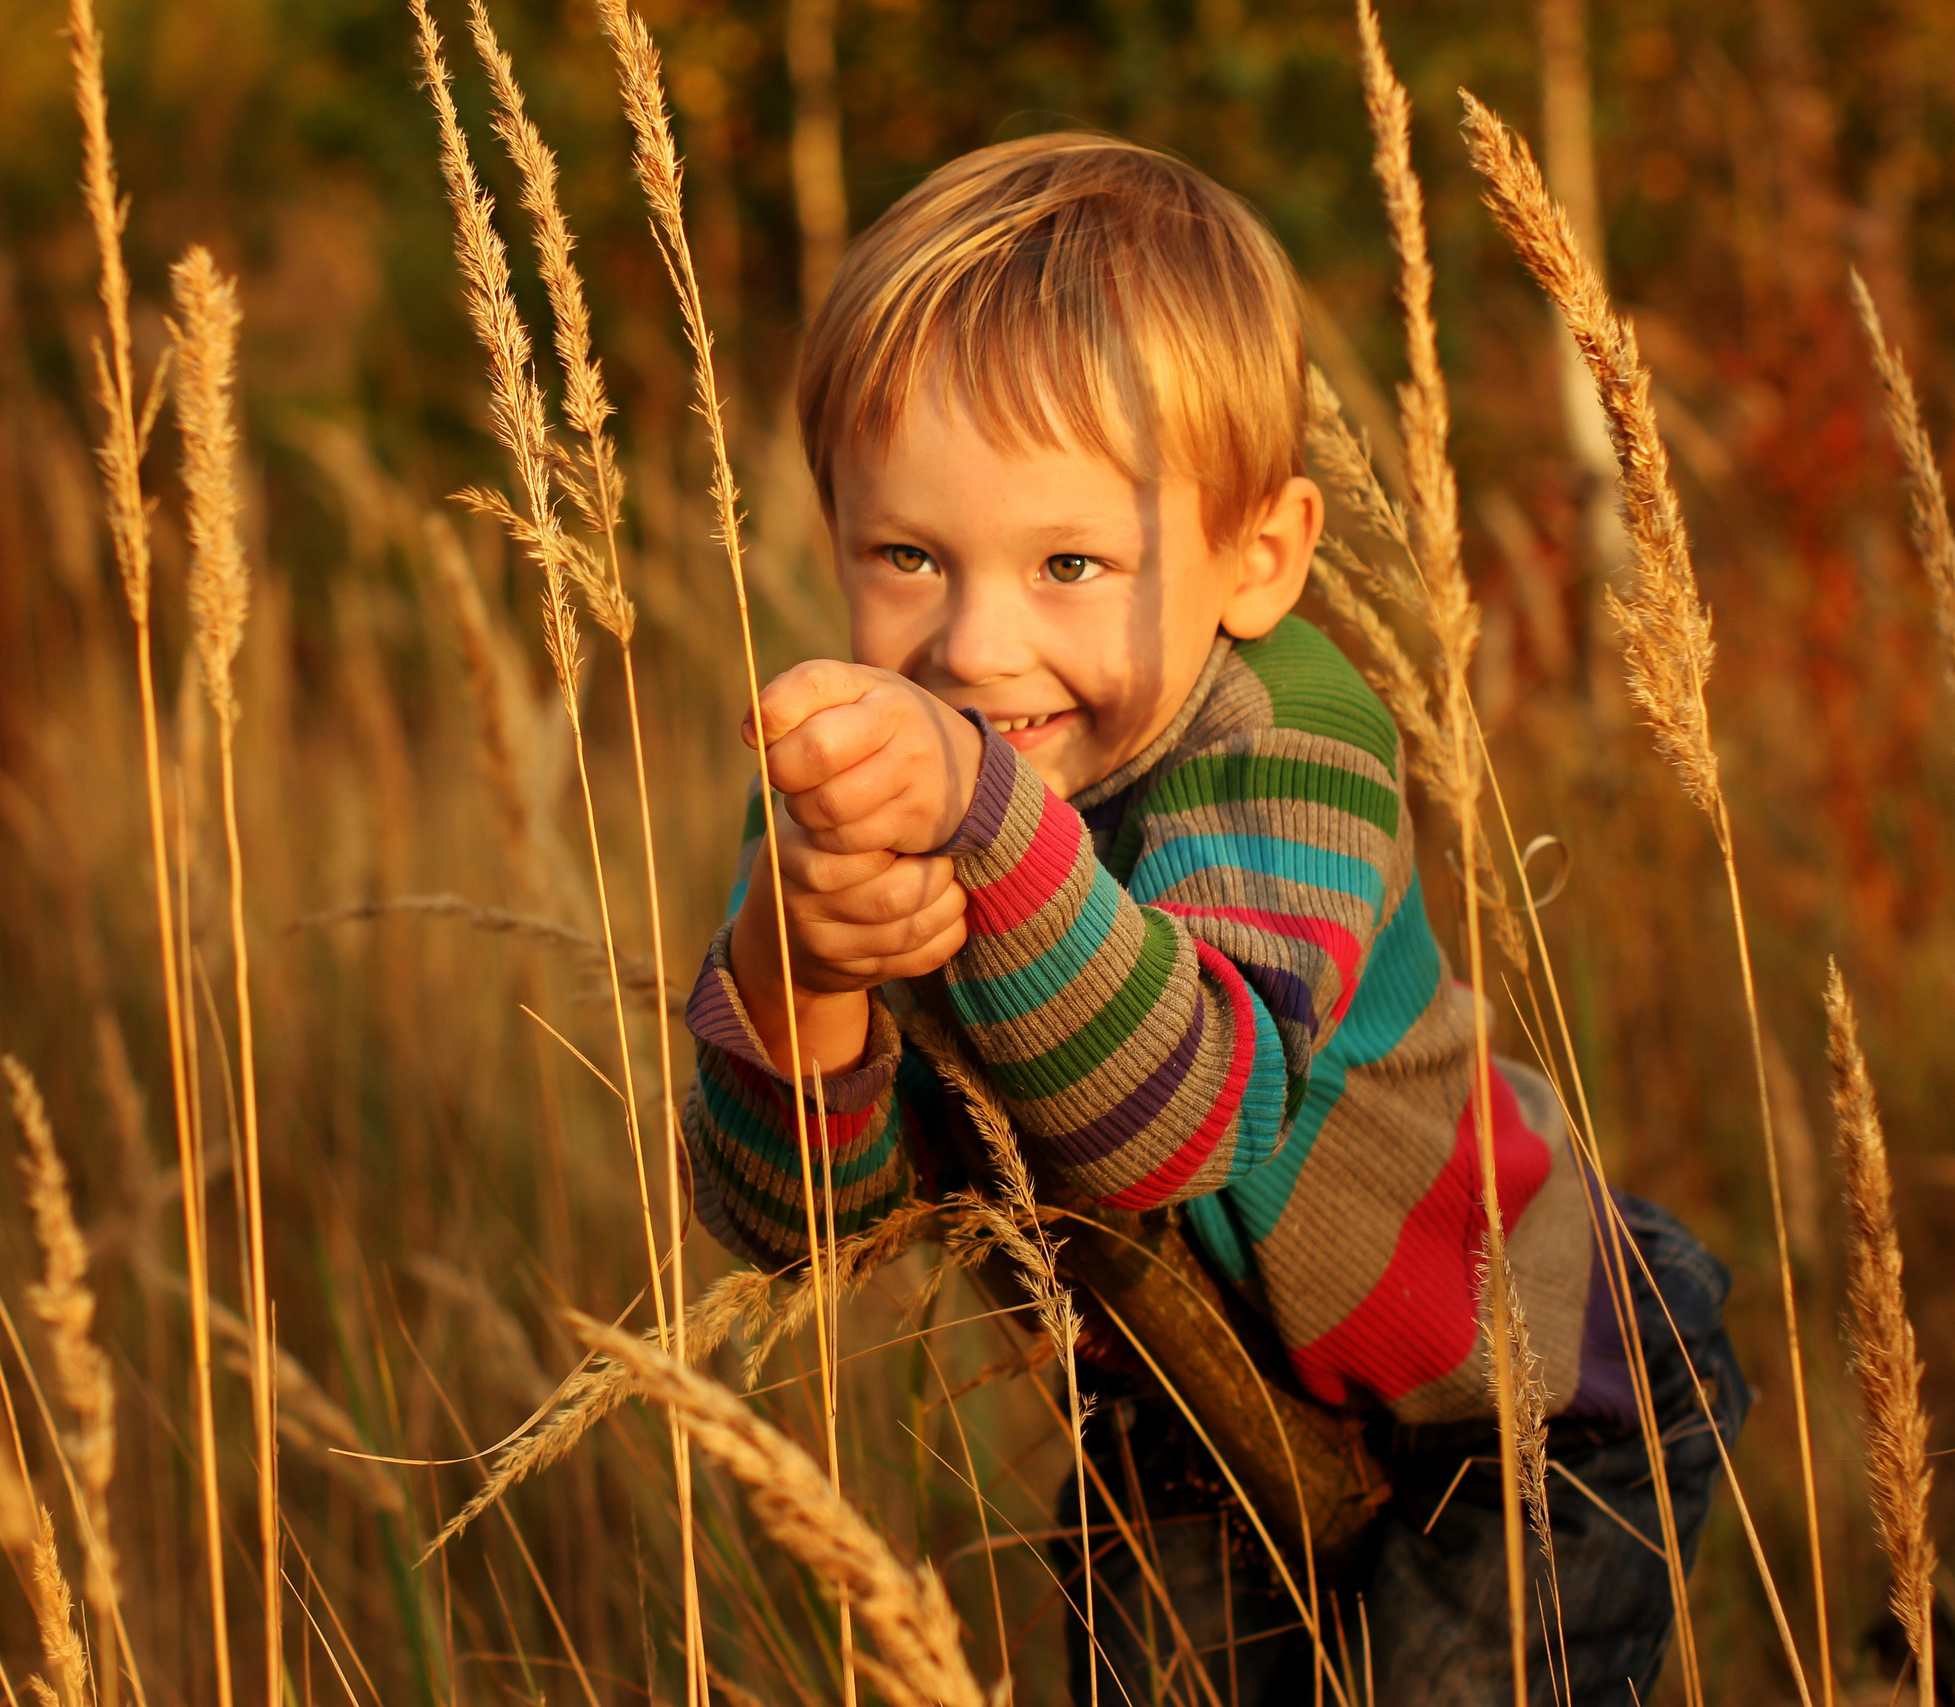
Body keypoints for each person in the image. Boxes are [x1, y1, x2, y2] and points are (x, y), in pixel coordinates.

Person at [677, 131, 1747, 1704]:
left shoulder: (1280, 743)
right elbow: (799, 1227)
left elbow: (1180, 1117)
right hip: (1192, 1426)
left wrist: (982, 817)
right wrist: (802, 964)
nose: (974, 643)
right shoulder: (876, 781)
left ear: (1259, 558)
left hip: (1517, 1404)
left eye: (1069, 563)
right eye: (906, 556)